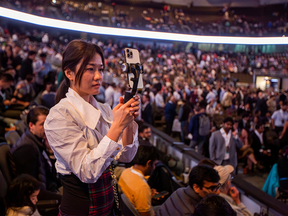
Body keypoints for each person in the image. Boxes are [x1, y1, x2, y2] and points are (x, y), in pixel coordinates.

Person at [44, 40, 139, 216]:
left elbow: (126, 156)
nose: (98, 76)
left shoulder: (103, 109)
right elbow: (87, 172)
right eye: (90, 69)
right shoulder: (60, 115)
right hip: (79, 209)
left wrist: (128, 123)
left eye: (101, 69)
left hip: (107, 205)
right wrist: (117, 125)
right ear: (69, 73)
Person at [11, 106, 59, 191]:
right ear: (31, 125)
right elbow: (31, 189)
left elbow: (49, 173)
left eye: (49, 123)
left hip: (50, 187)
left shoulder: (39, 141)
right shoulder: (26, 149)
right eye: (43, 124)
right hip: (42, 195)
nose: (47, 127)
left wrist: (50, 152)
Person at [156, 165, 220, 216]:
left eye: (218, 187)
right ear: (196, 187)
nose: (217, 192)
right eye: (212, 189)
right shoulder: (194, 211)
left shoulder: (179, 191)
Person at [119, 145, 159, 216]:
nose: (154, 168)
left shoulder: (126, 172)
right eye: (154, 164)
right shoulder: (142, 187)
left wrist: (148, 194)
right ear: (148, 163)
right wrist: (146, 192)